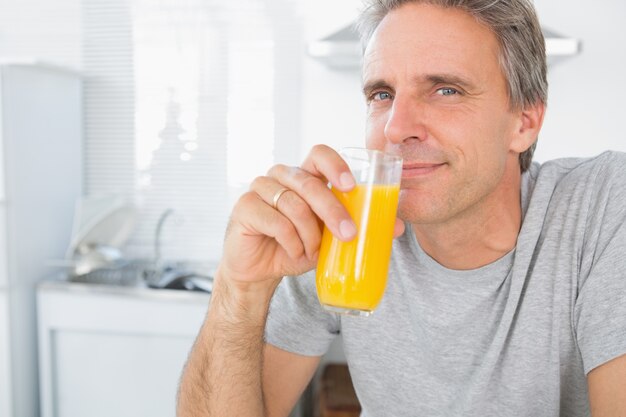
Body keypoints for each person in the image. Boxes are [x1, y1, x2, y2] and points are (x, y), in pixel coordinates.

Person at [177, 0, 626, 415]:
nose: (396, 128)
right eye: (381, 94)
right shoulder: (338, 225)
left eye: (446, 90)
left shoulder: (602, 206)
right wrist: (239, 291)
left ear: (524, 123)